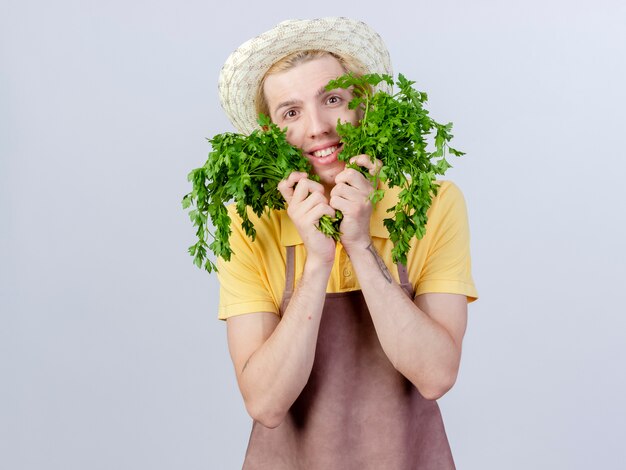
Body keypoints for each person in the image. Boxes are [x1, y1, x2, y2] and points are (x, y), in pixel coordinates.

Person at [216, 17, 478, 469]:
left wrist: (358, 242)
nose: (318, 128)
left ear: (363, 108)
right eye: (291, 113)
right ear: (269, 135)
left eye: (332, 99)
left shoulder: (431, 203)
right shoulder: (247, 224)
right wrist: (318, 261)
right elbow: (265, 402)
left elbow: (435, 375)